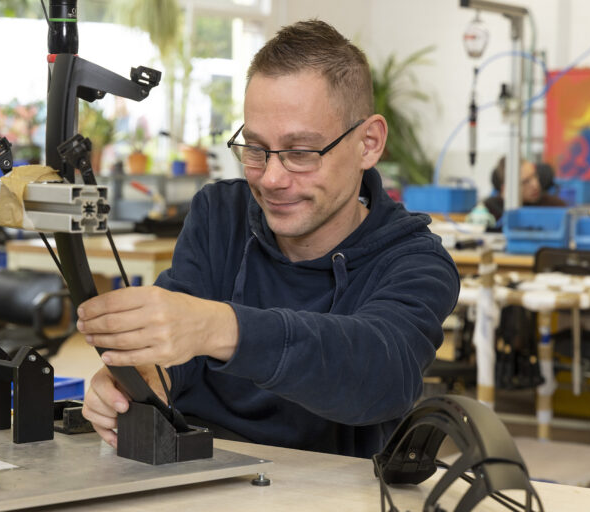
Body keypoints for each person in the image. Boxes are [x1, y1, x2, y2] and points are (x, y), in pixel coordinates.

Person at [77, 20, 460, 458]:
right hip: (196, 471)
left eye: (300, 152)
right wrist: (141, 378)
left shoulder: (414, 260)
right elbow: (175, 353)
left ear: (368, 143)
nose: (272, 178)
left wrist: (217, 326)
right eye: (256, 149)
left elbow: (382, 373)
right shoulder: (219, 214)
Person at [483, 157, 567, 222]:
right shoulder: (490, 208)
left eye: (535, 176)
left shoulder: (555, 206)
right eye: (526, 182)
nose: (535, 184)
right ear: (507, 189)